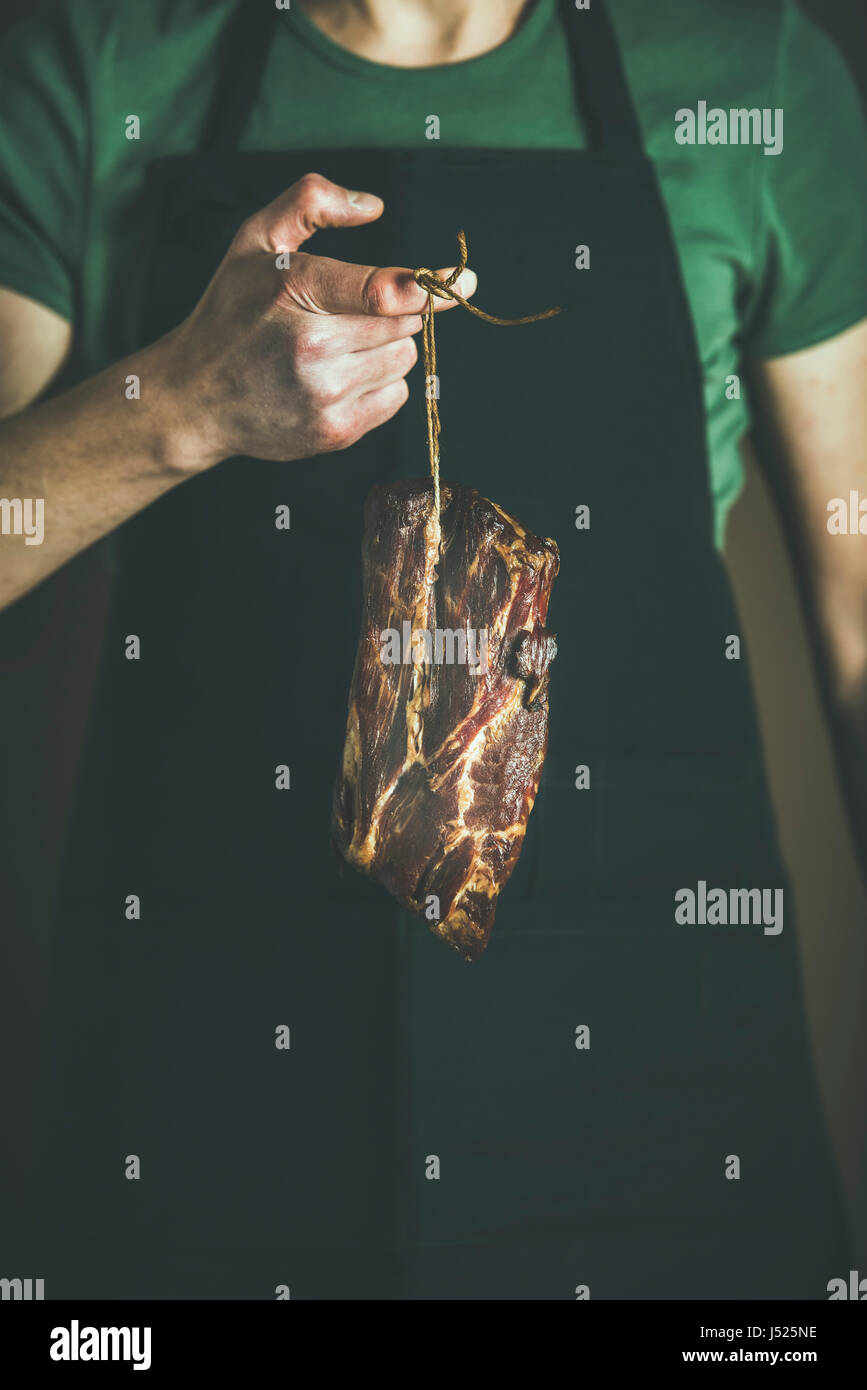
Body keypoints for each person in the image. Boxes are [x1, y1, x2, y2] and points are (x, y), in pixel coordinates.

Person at [1, 0, 865, 1300]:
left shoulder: (759, 73)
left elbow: (860, 622)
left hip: (653, 1062)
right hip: (207, 1066)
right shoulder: (99, 65)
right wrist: (179, 403)